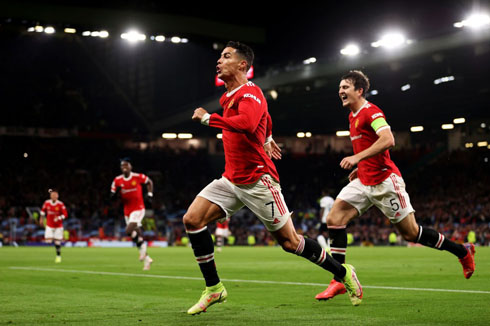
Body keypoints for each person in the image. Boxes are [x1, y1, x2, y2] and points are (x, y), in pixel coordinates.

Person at [184, 41, 363, 315]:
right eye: (220, 56)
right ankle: (214, 288)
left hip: (258, 180)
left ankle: (343, 272)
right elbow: (264, 117)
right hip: (231, 180)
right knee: (192, 220)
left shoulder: (250, 93)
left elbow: (246, 123)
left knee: (290, 242)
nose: (219, 61)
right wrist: (267, 136)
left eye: (226, 56)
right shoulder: (229, 96)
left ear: (242, 65)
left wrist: (209, 119)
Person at [315, 70, 476, 301]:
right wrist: (360, 168)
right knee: (334, 219)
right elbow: (369, 148)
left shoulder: (372, 112)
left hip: (384, 182)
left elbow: (389, 139)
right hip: (364, 180)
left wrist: (358, 159)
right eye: (340, 87)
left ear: (359, 90)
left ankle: (462, 251)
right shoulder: (352, 116)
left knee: (411, 233)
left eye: (346, 87)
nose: (340, 91)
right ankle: (339, 279)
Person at [111, 158, 154, 270]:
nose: (124, 167)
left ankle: (143, 251)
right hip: (127, 211)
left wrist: (149, 194)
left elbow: (149, 182)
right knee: (135, 234)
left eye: (126, 165)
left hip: (138, 209)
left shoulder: (137, 177)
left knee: (128, 230)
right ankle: (147, 258)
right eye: (122, 166)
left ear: (130, 167)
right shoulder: (117, 180)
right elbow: (112, 195)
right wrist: (115, 193)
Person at [40, 189, 67, 263]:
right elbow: (42, 211)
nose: (54, 196)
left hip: (58, 226)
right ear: (50, 196)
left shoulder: (60, 204)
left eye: (55, 195)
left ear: (57, 196)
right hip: (49, 225)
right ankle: (44, 257)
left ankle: (58, 256)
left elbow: (65, 214)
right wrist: (41, 219)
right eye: (52, 195)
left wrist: (58, 218)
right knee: (48, 241)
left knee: (57, 242)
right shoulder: (47, 203)